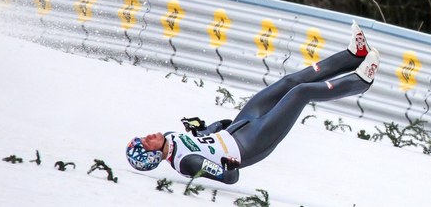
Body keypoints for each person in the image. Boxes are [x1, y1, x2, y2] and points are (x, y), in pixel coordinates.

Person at [126, 21, 380, 184]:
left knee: (287, 83)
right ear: (152, 155)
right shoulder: (185, 162)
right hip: (251, 144)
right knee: (300, 93)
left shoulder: (172, 137)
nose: (148, 136)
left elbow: (218, 129)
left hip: (240, 126)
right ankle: (359, 82)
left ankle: (352, 56)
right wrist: (228, 166)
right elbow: (229, 177)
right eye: (146, 143)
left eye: (143, 137)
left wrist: (202, 127)